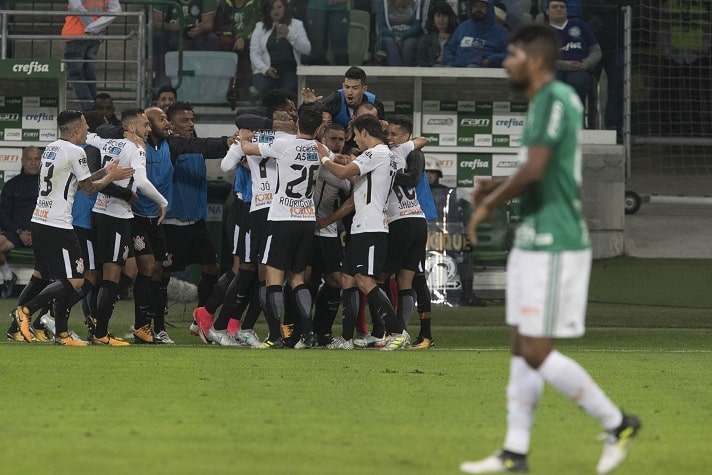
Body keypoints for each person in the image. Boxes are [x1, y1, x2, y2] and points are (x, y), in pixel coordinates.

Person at [460, 23, 640, 474]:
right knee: (522, 345)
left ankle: (617, 422)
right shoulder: (542, 103)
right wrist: (495, 185)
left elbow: (537, 169)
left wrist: (489, 204)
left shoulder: (555, 98)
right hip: (535, 239)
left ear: (534, 59)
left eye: (512, 54)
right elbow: (537, 169)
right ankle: (514, 453)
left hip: (557, 241)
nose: (505, 62)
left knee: (536, 349)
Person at [11, 110, 133, 345]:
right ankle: (26, 311)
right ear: (76, 129)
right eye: (86, 125)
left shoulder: (52, 148)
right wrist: (112, 176)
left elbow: (77, 180)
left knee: (44, 276)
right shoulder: (76, 151)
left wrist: (106, 172)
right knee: (76, 279)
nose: (89, 130)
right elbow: (88, 189)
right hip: (58, 225)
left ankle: (53, 333)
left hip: (40, 219)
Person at [319, 114, 411, 351]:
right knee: (348, 280)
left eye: (356, 136)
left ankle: (397, 332)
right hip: (361, 226)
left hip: (371, 228)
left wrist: (325, 159)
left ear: (365, 133)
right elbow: (356, 190)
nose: (356, 141)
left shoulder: (376, 153)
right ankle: (347, 338)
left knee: (364, 280)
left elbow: (341, 173)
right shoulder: (383, 156)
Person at [238, 105, 324, 349]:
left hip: (282, 217)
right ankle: (308, 334)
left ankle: (275, 336)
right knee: (298, 278)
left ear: (298, 125)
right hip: (307, 218)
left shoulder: (284, 145)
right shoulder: (320, 148)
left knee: (273, 278)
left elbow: (248, 149)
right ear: (319, 128)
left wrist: (245, 136)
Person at [88, 109, 169, 346]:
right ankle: (100, 332)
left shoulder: (105, 141)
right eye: (145, 125)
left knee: (128, 269)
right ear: (132, 128)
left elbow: (92, 135)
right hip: (115, 216)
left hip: (103, 213)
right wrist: (163, 203)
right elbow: (142, 182)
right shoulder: (135, 148)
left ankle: (98, 324)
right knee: (112, 274)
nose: (149, 129)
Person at [425, 156, 486, 307]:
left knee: (466, 252)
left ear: (439, 174)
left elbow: (462, 217)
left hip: (448, 239)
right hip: (424, 239)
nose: (428, 175)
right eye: (425, 172)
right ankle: (414, 296)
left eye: (432, 172)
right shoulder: (414, 193)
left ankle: (468, 295)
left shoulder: (451, 193)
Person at [583, 0, 634, 137]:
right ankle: (586, 125)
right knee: (585, 86)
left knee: (617, 89)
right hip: (590, 47)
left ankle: (614, 129)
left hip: (617, 44)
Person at [62, 0, 122, 111]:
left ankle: (90, 111)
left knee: (76, 75)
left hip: (75, 34)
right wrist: (95, 28)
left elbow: (76, 5)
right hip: (94, 36)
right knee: (89, 76)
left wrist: (91, 27)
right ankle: (95, 110)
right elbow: (116, 10)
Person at [0, 146, 40, 299]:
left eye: (36, 159)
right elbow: (3, 215)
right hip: (17, 233)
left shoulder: (47, 185)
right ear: (23, 161)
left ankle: (49, 287)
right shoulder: (12, 185)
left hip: (41, 233)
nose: (33, 163)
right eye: (29, 159)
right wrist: (20, 232)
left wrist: (35, 232)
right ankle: (8, 277)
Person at [249, 0, 311, 97]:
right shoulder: (260, 27)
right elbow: (254, 53)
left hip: (290, 70)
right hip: (266, 71)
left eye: (279, 7)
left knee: (287, 90)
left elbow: (306, 49)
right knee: (267, 88)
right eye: (272, 8)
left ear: (285, 8)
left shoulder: (297, 25)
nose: (276, 11)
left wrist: (289, 34)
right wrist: (265, 69)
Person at [548, 0, 601, 111]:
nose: (559, 9)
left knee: (578, 82)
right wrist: (563, 65)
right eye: (554, 7)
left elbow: (596, 51)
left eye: (562, 7)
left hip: (580, 68)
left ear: (567, 10)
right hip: (554, 70)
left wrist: (585, 64)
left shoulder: (579, 24)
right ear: (547, 11)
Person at [151, 0, 219, 87]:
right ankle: (161, 83)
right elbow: (156, 23)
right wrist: (174, 27)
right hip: (171, 33)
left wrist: (200, 28)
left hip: (196, 35)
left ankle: (206, 83)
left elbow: (209, 24)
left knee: (212, 38)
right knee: (158, 36)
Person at [302, 66, 385, 129]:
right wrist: (308, 105)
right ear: (343, 85)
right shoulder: (334, 100)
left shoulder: (375, 104)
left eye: (355, 88)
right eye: (347, 87)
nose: (349, 92)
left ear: (364, 89)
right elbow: (308, 120)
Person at [214, 0, 261, 103]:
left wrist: (242, 37)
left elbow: (253, 25)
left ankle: (245, 91)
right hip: (228, 40)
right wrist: (237, 36)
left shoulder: (254, 4)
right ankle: (224, 90)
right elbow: (219, 25)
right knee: (226, 49)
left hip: (249, 40)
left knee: (246, 51)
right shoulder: (224, 4)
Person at [443, 0, 508, 68]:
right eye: (475, 6)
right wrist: (450, 63)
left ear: (489, 8)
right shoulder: (462, 27)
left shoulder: (501, 32)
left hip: (487, 73)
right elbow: (449, 49)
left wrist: (491, 60)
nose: (478, 9)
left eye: (482, 6)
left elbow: (509, 55)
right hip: (459, 71)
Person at [374, 0, 423, 66]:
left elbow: (417, 26)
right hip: (388, 36)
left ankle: (404, 73)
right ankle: (397, 72)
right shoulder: (382, 2)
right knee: (390, 42)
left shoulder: (416, 2)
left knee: (409, 44)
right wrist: (395, 36)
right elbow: (381, 28)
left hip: (409, 36)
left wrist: (402, 36)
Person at [305, 0, 349, 66]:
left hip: (340, 8)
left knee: (340, 47)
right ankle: (316, 75)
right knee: (317, 46)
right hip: (316, 7)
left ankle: (344, 74)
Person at [416, 1, 459, 67]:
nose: (441, 19)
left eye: (444, 16)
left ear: (450, 18)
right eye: (438, 16)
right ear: (433, 19)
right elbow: (421, 60)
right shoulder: (425, 39)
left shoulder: (456, 38)